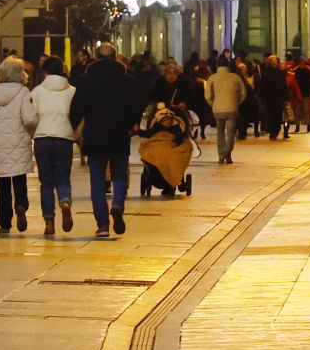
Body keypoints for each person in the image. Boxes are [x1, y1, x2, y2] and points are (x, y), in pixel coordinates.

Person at [71, 43, 147, 238]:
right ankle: (117, 204)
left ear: (95, 57)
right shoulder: (126, 80)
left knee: (97, 180)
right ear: (115, 57)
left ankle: (103, 225)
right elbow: (135, 105)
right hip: (118, 134)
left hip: (95, 135)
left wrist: (74, 123)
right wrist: (133, 124)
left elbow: (76, 108)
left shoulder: (86, 80)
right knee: (119, 174)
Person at [0, 59, 38, 236]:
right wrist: (30, 132)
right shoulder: (23, 91)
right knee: (19, 179)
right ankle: (21, 205)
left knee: (2, 183)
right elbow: (29, 119)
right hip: (19, 140)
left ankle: (4, 223)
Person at [145, 60, 211, 195]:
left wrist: (184, 104)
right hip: (161, 116)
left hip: (178, 116)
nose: (171, 76)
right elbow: (151, 97)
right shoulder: (158, 84)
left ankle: (172, 181)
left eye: (174, 73)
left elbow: (193, 99)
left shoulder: (184, 84)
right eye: (168, 73)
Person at [30, 57, 77, 235]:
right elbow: (77, 114)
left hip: (42, 138)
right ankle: (64, 200)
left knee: (46, 182)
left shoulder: (37, 91)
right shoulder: (72, 91)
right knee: (63, 178)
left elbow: (31, 117)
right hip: (64, 138)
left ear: (45, 72)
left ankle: (49, 221)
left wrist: (34, 131)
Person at [204, 52, 249, 163]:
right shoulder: (235, 77)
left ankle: (221, 155)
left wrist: (213, 104)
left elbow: (208, 95)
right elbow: (243, 93)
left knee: (220, 133)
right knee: (231, 132)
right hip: (232, 108)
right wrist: (237, 102)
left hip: (217, 109)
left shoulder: (212, 78)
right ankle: (227, 152)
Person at [256, 56, 291, 141]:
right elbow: (263, 86)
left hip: (279, 98)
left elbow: (284, 86)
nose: (274, 62)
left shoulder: (280, 73)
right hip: (270, 98)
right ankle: (273, 131)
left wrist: (286, 97)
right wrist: (263, 96)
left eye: (275, 61)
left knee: (278, 115)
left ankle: (276, 130)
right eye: (272, 61)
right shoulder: (266, 73)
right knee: (271, 115)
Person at [294, 57, 310, 132]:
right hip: (300, 93)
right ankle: (302, 125)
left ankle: (305, 125)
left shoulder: (296, 70)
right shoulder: (296, 70)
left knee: (303, 109)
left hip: (304, 93)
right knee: (303, 109)